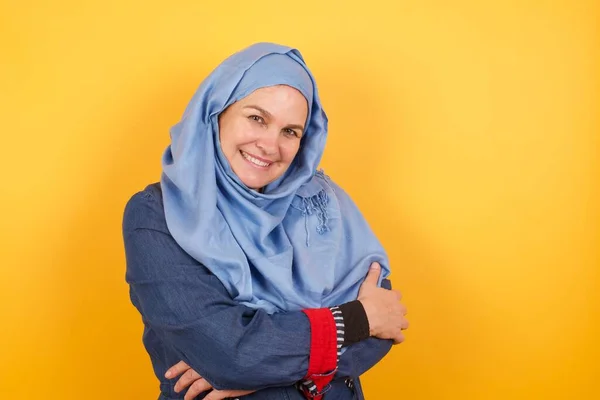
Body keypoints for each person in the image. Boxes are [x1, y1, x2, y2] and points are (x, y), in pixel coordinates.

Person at [123, 42, 409, 400]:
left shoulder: (323, 203)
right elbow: (229, 354)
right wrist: (355, 320)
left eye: (290, 131)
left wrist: (261, 371)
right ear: (216, 112)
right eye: (257, 118)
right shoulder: (156, 215)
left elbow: (385, 324)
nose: (270, 145)